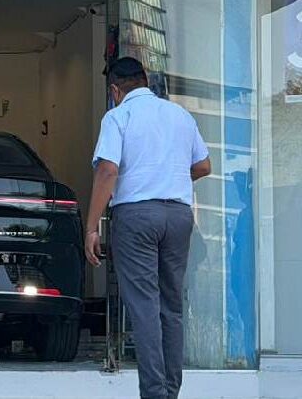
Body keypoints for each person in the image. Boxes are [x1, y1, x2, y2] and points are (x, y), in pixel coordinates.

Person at [85, 57, 212, 399]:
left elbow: (108, 171)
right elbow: (203, 165)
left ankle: (154, 393)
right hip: (178, 216)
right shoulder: (179, 115)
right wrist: (168, 177)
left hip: (137, 217)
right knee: (170, 305)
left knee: (144, 306)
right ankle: (170, 389)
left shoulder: (118, 116)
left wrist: (92, 226)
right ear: (146, 81)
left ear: (115, 89)